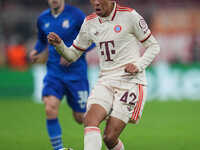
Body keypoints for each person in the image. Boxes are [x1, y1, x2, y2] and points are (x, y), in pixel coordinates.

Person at [47, 0, 160, 149]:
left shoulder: (130, 16)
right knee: (90, 120)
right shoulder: (89, 23)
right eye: (93, 0)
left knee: (110, 137)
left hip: (130, 82)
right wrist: (60, 46)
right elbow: (72, 55)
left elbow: (153, 46)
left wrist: (138, 65)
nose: (96, 3)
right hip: (105, 81)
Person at [29, 0, 95, 150]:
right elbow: (41, 39)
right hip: (54, 73)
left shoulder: (76, 15)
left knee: (81, 118)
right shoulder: (43, 18)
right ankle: (59, 148)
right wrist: (36, 50)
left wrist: (73, 53)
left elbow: (92, 39)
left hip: (76, 74)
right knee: (50, 107)